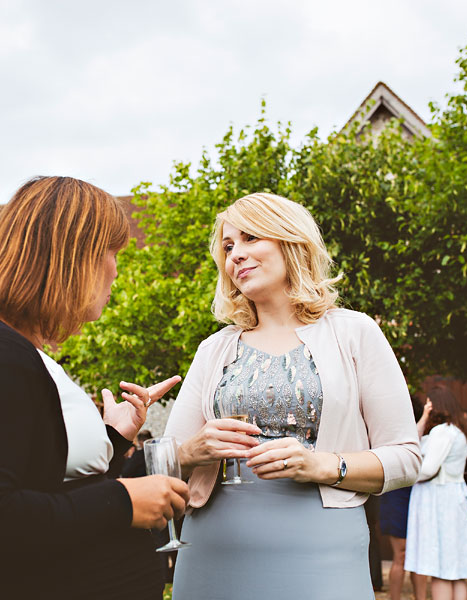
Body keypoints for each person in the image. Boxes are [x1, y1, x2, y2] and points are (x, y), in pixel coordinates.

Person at [0, 176, 190, 599]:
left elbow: (45, 482)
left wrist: (113, 439)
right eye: (111, 252)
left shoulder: (18, 351)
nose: (116, 270)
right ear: (73, 256)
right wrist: (122, 503)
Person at [163, 192, 421, 599]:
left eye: (250, 239)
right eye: (228, 247)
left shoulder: (355, 332)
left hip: (323, 552)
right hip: (212, 550)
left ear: (290, 241)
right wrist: (192, 450)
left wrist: (321, 466)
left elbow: (407, 457)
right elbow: (165, 460)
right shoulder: (213, 349)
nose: (236, 255)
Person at [405, 387, 467, 600]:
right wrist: (425, 417)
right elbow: (414, 439)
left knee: (441, 568)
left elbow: (428, 468)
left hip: (438, 499)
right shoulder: (458, 431)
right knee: (456, 570)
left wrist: (407, 475)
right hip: (453, 497)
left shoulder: (442, 432)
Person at [379, 396, 428, 600]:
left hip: (418, 496)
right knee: (401, 554)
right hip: (396, 497)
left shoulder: (430, 437)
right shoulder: (395, 435)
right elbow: (411, 444)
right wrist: (425, 415)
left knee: (419, 556)